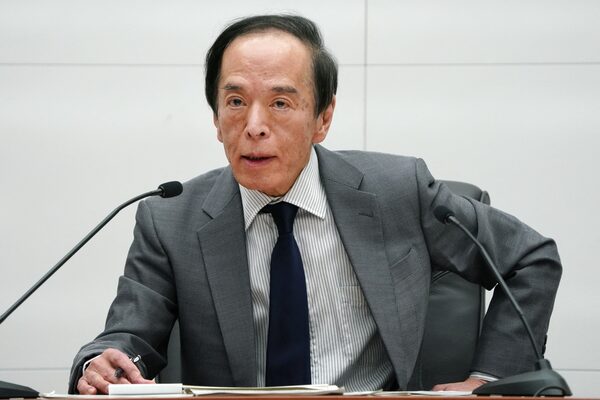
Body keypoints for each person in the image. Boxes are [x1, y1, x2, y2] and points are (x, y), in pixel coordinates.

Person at [69, 14, 562, 394]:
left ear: (323, 118)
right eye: (235, 102)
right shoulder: (170, 219)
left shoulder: (398, 192)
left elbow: (529, 258)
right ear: (216, 119)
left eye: (280, 103)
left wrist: (488, 379)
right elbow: (128, 337)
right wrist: (101, 365)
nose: (254, 126)